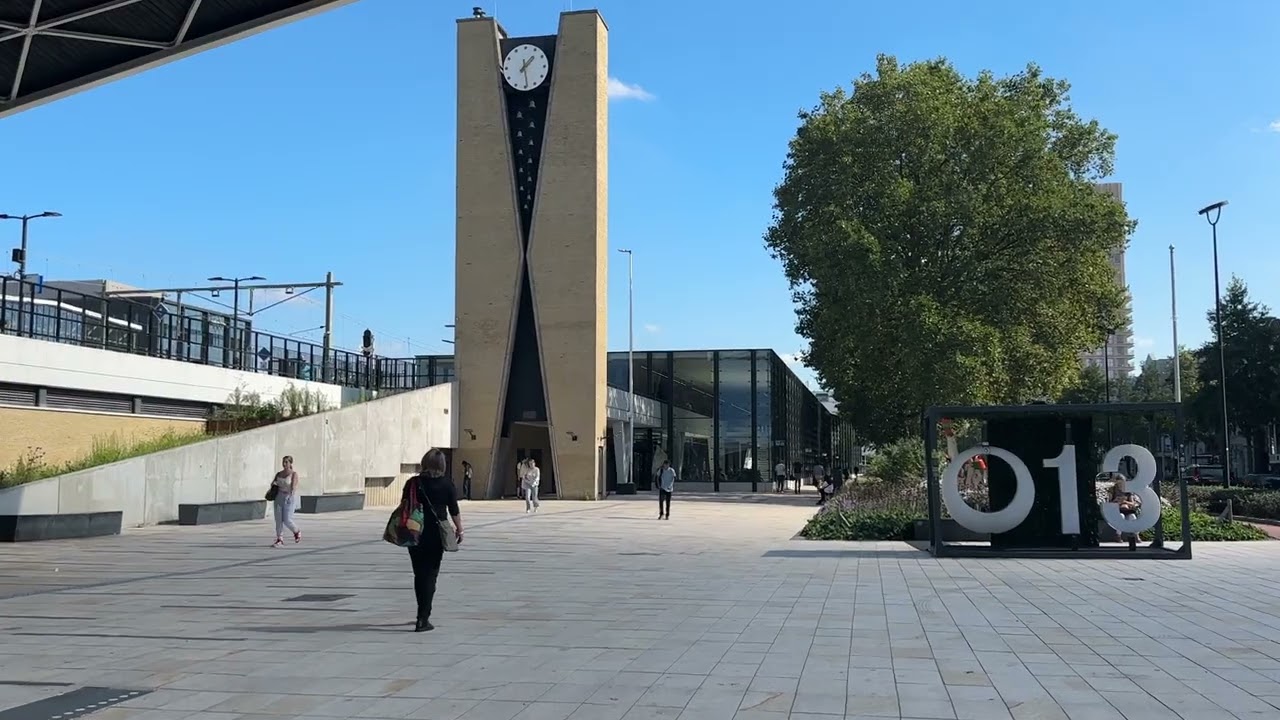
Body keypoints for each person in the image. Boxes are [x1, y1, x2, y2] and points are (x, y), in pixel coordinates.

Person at [404, 448, 463, 632]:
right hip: (436, 534)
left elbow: (405, 504)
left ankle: (421, 613)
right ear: (442, 465)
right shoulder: (446, 484)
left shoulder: (413, 483)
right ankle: (423, 617)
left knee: (419, 574)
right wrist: (460, 529)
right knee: (431, 574)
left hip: (414, 531)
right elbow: (453, 509)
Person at [271, 455, 301, 548]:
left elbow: (294, 486)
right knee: (278, 519)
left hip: (289, 497)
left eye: (286, 462)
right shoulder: (279, 474)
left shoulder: (293, 474)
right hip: (279, 496)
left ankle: (296, 531)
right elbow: (273, 483)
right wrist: (274, 485)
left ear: (290, 463)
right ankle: (279, 539)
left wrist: (290, 496)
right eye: (283, 462)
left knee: (287, 519)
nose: (284, 464)